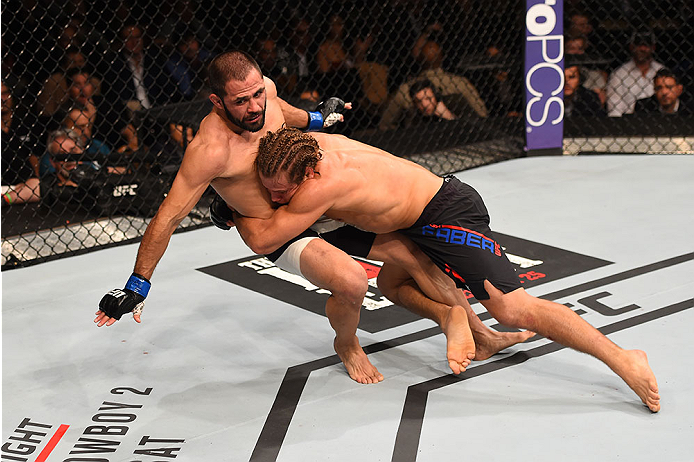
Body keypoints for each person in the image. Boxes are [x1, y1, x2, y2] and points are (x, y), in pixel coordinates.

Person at [95, 51, 532, 385]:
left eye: (256, 94)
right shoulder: (209, 151)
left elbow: (286, 112)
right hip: (276, 231)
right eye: (241, 101)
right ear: (216, 101)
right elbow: (166, 218)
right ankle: (347, 342)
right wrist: (139, 282)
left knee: (415, 253)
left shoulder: (264, 95)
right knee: (351, 281)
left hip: (312, 207)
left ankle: (482, 336)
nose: (253, 107)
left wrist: (320, 117)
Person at [232, 127, 661, 412]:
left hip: (444, 213)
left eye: (281, 191)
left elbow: (267, 240)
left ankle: (624, 358)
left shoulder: (321, 186)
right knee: (393, 282)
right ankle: (482, 336)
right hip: (404, 224)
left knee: (514, 309)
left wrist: (228, 210)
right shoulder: (305, 143)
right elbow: (278, 110)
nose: (275, 198)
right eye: (269, 191)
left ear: (308, 172)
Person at [379, 41, 488, 130]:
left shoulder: (404, 89)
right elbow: (482, 113)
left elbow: (385, 124)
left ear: (419, 60)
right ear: (442, 58)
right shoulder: (460, 83)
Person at [606, 30, 664, 117]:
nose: (643, 49)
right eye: (639, 45)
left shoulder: (662, 71)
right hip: (627, 123)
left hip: (658, 121)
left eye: (646, 45)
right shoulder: (619, 74)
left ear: (653, 48)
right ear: (631, 47)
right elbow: (614, 110)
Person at [1, 79, 40, 206]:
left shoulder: (25, 122)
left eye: (5, 93)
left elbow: (33, 154)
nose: (3, 98)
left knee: (36, 186)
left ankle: (5, 200)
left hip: (24, 183)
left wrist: (36, 177)